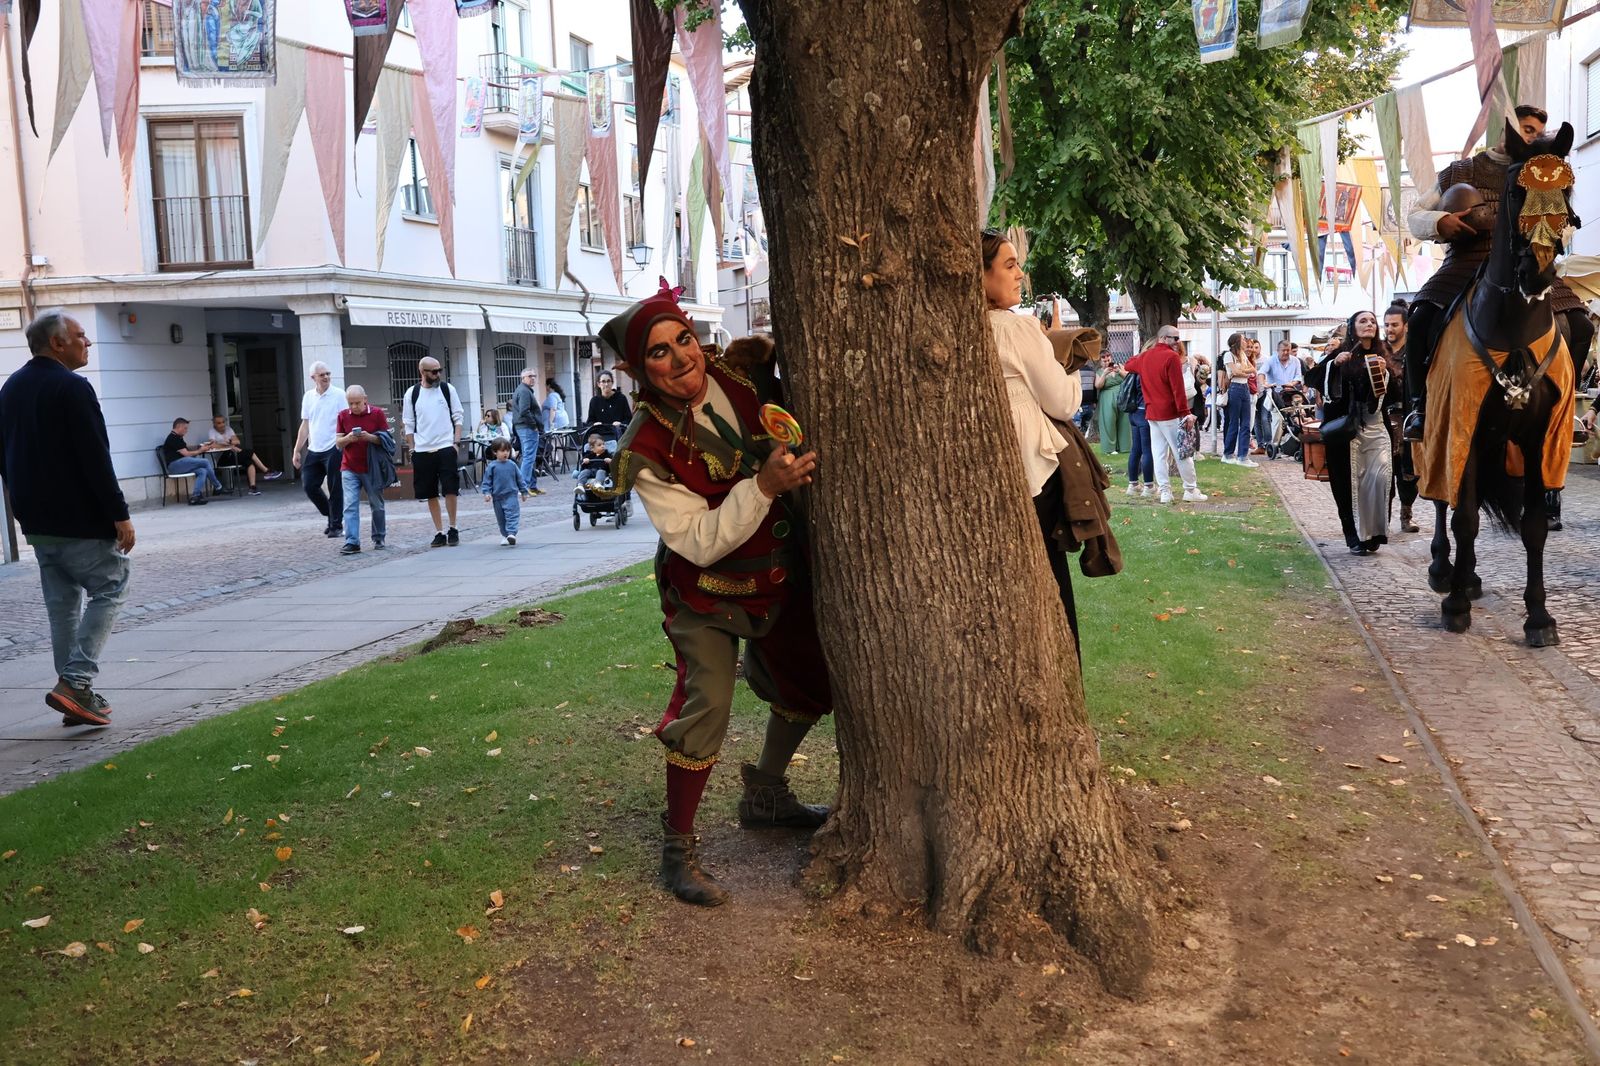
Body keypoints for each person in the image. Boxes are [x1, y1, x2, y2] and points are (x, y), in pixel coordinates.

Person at [598, 281, 830, 908]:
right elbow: (698, 540)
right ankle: (678, 850)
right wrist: (765, 485)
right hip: (705, 591)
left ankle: (766, 795)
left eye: (683, 340)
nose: (682, 360)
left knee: (807, 676)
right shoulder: (644, 449)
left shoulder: (739, 374)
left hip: (780, 569)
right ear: (633, 370)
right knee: (708, 704)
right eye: (659, 354)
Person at [1404, 105, 1595, 442]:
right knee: (1420, 319)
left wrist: (1552, 235)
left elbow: (1565, 220)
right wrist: (1440, 222)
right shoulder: (1460, 171)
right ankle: (1421, 408)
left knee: (1579, 324)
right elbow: (1416, 214)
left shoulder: (1546, 172)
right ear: (1506, 130)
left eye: (1537, 131)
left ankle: (1564, 410)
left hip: (1529, 261)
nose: (1532, 136)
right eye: (1526, 128)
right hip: (1467, 260)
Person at [0, 309, 135, 727]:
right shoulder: (72, 387)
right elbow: (95, 456)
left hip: (38, 522)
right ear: (57, 343)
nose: (87, 342)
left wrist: (22, 510)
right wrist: (120, 514)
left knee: (62, 608)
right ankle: (76, 682)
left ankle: (76, 695)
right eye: (80, 335)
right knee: (111, 586)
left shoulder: (10, 388)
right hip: (80, 518)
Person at [983, 231, 1091, 643]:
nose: (1020, 274)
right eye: (1009, 265)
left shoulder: (964, 330)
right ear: (980, 275)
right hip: (1032, 472)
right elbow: (1063, 403)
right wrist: (1060, 350)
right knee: (1051, 582)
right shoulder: (1017, 329)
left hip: (991, 473)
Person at [1311, 310, 1394, 555]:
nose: (1369, 324)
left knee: (1380, 479)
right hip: (1346, 431)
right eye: (1363, 321)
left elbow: (1396, 392)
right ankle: (1353, 536)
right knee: (1347, 483)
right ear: (1353, 327)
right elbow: (1314, 378)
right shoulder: (1340, 354)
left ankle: (1375, 532)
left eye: (1372, 321)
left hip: (1376, 427)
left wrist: (1384, 375)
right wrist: (1333, 366)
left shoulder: (1383, 354)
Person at [1125, 325, 1207, 505]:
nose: (1178, 342)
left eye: (1178, 338)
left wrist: (1144, 353)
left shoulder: (1146, 356)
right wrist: (1186, 413)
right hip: (1169, 413)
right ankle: (1190, 489)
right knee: (1182, 452)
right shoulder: (1171, 357)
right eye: (1175, 338)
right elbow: (1177, 389)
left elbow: (1128, 364)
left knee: (1159, 453)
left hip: (1152, 412)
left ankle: (1165, 492)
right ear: (1163, 338)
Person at [403, 356, 465, 547]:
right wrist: (412, 448)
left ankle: (453, 527)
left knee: (450, 489)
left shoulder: (447, 389)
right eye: (434, 371)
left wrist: (456, 443)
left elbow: (458, 416)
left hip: (446, 446)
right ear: (422, 372)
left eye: (439, 370)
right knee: (430, 492)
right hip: (422, 450)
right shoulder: (412, 393)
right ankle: (439, 531)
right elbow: (408, 424)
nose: (438, 374)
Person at [292, 361, 348, 538]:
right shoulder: (308, 396)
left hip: (334, 447)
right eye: (322, 375)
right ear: (313, 378)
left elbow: (346, 421)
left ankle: (336, 525)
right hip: (314, 448)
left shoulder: (339, 395)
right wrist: (297, 450)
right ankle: (331, 515)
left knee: (335, 487)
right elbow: (305, 424)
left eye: (328, 374)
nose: (326, 377)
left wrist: (344, 443)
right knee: (309, 485)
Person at [334, 385, 391, 556]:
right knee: (350, 505)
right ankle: (352, 542)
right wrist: (348, 438)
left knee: (377, 504)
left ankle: (379, 537)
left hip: (371, 467)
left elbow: (386, 439)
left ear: (365, 399)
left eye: (357, 403)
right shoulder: (343, 415)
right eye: (350, 403)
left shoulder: (377, 413)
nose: (354, 407)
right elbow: (338, 443)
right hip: (349, 467)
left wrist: (369, 437)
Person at [1383, 303, 1420, 533]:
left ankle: (1406, 514)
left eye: (1395, 324)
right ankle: (1382, 520)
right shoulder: (1378, 351)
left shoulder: (1415, 351)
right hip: (1384, 419)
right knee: (1384, 473)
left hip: (1408, 418)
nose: (1389, 329)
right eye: (1386, 325)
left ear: (1406, 326)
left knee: (1408, 473)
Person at [206, 414, 281, 495]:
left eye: (223, 422)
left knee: (249, 462)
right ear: (214, 424)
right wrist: (229, 446)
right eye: (219, 423)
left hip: (232, 454)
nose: (222, 425)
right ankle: (266, 471)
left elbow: (237, 441)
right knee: (250, 452)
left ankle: (253, 487)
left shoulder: (228, 429)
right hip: (222, 458)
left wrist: (230, 443)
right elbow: (212, 445)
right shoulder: (212, 431)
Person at [161, 418, 225, 505]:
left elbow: (187, 448)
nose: (186, 431)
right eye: (185, 428)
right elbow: (186, 454)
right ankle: (218, 487)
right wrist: (200, 450)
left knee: (203, 471)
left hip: (182, 464)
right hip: (175, 466)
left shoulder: (178, 437)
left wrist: (201, 446)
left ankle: (195, 497)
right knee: (205, 461)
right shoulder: (173, 438)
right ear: (178, 427)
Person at [1259, 339, 1305, 459]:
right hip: (1276, 393)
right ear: (1277, 350)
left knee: (1299, 415)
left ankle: (1300, 442)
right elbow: (1261, 373)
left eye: (1288, 350)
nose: (1285, 353)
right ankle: (1275, 445)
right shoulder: (1270, 361)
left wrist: (1292, 383)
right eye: (1283, 350)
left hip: (1291, 393)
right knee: (1278, 420)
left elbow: (1298, 376)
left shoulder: (1295, 361)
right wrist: (1264, 383)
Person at [480, 438, 529, 546]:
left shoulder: (512, 465)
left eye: (507, 450)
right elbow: (487, 481)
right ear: (495, 452)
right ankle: (504, 535)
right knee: (501, 518)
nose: (505, 453)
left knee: (512, 514)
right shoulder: (492, 466)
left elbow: (520, 479)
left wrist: (524, 491)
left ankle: (511, 533)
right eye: (502, 451)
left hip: (511, 494)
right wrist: (487, 493)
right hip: (497, 497)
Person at [1221, 333, 1258, 466]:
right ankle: (1228, 453)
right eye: (1242, 339)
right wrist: (1244, 371)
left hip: (1245, 387)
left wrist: (1242, 370)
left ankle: (1243, 456)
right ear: (1236, 342)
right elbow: (1235, 372)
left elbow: (1253, 369)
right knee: (1234, 422)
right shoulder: (1228, 355)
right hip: (1235, 387)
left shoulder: (1243, 355)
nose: (1245, 341)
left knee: (1246, 423)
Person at [510, 368, 543, 496]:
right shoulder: (524, 391)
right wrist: (534, 425)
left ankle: (532, 486)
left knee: (529, 456)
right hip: (527, 427)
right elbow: (524, 411)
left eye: (534, 376)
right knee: (529, 457)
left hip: (523, 426)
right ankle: (524, 487)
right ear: (523, 378)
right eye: (530, 376)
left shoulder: (524, 390)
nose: (533, 378)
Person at [1094, 352, 1131, 455]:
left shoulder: (1119, 366)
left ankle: (1125, 447)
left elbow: (1129, 377)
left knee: (1124, 421)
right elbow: (1098, 385)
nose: (1107, 362)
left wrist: (1119, 371)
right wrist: (1105, 374)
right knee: (1108, 421)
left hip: (1122, 396)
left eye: (1108, 360)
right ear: (1100, 362)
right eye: (1104, 361)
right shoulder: (1099, 372)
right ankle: (1110, 448)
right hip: (1107, 398)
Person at [585, 369, 633, 447]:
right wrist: (594, 424)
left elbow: (629, 419)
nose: (606, 384)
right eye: (603, 381)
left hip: (619, 436)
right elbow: (589, 422)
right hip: (600, 439)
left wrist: (621, 424)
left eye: (608, 381)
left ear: (612, 383)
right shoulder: (594, 401)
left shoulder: (621, 398)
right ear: (598, 384)